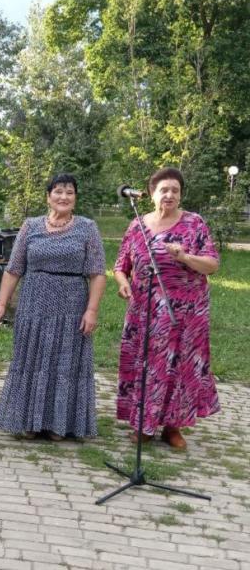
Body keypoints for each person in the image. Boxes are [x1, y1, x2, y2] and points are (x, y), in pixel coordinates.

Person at [0, 173, 106, 440]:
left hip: (71, 305)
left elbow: (97, 273)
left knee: (64, 362)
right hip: (33, 305)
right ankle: (30, 420)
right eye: (58, 191)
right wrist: (2, 304)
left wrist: (92, 310)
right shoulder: (30, 226)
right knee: (31, 359)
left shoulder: (87, 228)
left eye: (69, 192)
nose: (63, 197)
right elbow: (14, 269)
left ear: (75, 198)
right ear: (48, 196)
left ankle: (59, 424)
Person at [114, 167, 220, 449]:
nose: (170, 195)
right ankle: (144, 423)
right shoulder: (137, 225)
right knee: (146, 365)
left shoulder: (194, 223)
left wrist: (184, 256)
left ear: (181, 194)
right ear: (152, 194)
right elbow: (120, 266)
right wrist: (123, 282)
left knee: (180, 367)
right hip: (144, 311)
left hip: (185, 313)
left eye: (175, 190)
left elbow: (212, 264)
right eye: (164, 190)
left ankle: (173, 427)